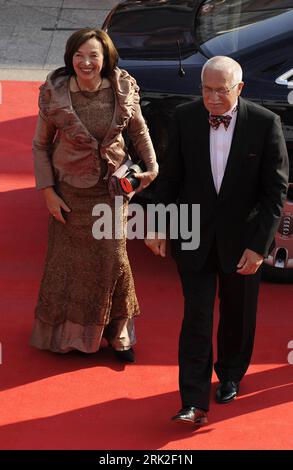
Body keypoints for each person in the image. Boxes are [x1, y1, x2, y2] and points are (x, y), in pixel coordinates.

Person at [145, 56, 288, 424]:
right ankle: (192, 401)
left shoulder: (264, 123)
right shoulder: (185, 117)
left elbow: (274, 193)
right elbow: (171, 178)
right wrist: (158, 224)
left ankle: (230, 375)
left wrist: (260, 246)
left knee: (238, 316)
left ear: (239, 89)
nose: (211, 98)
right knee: (196, 317)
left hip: (243, 241)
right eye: (206, 89)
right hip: (193, 235)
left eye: (220, 91)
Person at [30, 28, 158, 362]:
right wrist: (47, 192)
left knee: (113, 258)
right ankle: (70, 335)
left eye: (94, 55)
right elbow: (41, 145)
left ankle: (118, 333)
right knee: (69, 263)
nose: (86, 62)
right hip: (70, 190)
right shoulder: (55, 93)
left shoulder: (121, 87)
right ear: (70, 58)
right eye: (79, 55)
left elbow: (138, 130)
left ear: (106, 58)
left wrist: (152, 164)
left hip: (113, 187)